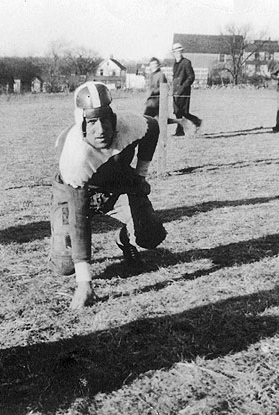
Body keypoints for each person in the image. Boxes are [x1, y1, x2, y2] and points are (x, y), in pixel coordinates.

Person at [50, 81, 167, 309]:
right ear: (81, 123)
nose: (101, 129)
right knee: (64, 265)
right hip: (76, 193)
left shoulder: (130, 124)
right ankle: (60, 244)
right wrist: (85, 283)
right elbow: (79, 221)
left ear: (113, 116)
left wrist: (140, 175)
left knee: (150, 236)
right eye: (92, 121)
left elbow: (152, 128)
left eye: (105, 119)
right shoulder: (75, 156)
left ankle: (123, 240)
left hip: (116, 185)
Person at [171, 42, 202, 136]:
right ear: (173, 53)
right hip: (176, 91)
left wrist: (183, 86)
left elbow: (191, 77)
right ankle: (180, 131)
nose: (178, 53)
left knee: (183, 112)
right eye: (176, 52)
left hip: (184, 91)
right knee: (177, 112)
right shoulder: (175, 64)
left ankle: (196, 121)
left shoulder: (186, 62)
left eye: (180, 51)